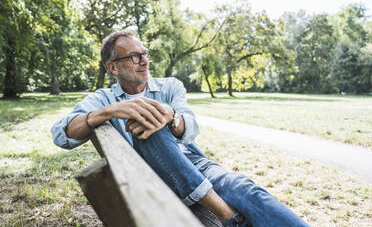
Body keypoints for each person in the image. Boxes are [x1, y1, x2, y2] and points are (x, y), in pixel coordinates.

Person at [51, 29, 309, 227]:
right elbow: (61, 134)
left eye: (145, 54)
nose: (144, 61)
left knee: (244, 187)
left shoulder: (170, 86)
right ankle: (226, 216)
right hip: (155, 178)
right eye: (134, 56)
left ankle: (230, 218)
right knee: (147, 124)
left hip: (195, 163)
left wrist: (171, 117)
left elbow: (192, 127)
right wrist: (109, 111)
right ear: (113, 67)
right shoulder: (104, 99)